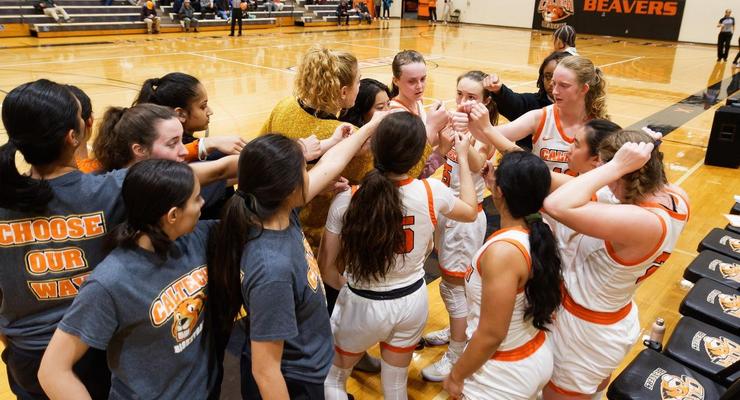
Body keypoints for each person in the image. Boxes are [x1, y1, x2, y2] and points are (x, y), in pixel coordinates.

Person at [0, 79, 233, 400]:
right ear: (76, 134)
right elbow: (214, 173)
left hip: (25, 355)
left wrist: (14, 336)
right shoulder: (106, 190)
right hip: (90, 349)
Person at [207, 114, 383, 399]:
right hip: (292, 381)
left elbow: (330, 164)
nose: (312, 174)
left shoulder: (277, 211)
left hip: (305, 367)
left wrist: (370, 127)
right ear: (289, 189)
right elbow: (265, 371)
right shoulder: (271, 270)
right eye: (305, 169)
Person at [321, 112, 479, 400]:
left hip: (362, 303)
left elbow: (327, 269)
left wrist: (352, 291)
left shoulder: (347, 199)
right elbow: (470, 209)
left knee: (334, 381)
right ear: (419, 152)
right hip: (411, 302)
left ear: (375, 149)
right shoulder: (432, 192)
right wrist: (464, 158)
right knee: (395, 387)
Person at [38, 160, 220, 399]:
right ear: (173, 215)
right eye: (197, 198)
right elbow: (52, 371)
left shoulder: (196, 237)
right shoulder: (110, 282)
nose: (203, 203)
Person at [541, 130, 690, 399]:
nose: (606, 184)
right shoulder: (676, 197)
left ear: (625, 173)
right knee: (592, 390)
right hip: (612, 318)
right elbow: (568, 188)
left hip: (586, 331)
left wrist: (615, 165)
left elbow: (556, 204)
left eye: (611, 176)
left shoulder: (642, 222)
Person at [443, 151, 563, 400]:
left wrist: (456, 375)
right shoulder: (541, 228)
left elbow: (491, 334)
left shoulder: (503, 253)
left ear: (500, 193)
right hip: (532, 352)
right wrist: (497, 185)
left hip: (500, 374)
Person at [421, 71, 496, 382]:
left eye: (472, 98)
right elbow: (438, 159)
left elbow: (479, 164)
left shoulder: (487, 133)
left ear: (486, 102)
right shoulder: (454, 123)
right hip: (447, 213)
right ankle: (458, 332)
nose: (463, 103)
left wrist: (464, 143)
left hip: (466, 218)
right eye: (460, 95)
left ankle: (457, 353)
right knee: (454, 285)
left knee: (453, 286)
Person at [259, 45, 368, 250]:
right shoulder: (349, 136)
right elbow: (397, 176)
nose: (360, 86)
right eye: (358, 80)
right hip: (321, 243)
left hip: (272, 224)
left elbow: (260, 151)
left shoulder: (284, 106)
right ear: (344, 92)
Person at [464, 56, 608, 175]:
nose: (555, 91)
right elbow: (488, 135)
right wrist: (470, 120)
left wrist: (485, 128)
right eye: (553, 83)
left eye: (563, 85)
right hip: (539, 205)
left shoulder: (600, 128)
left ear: (584, 89)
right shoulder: (541, 117)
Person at [485, 51, 570, 150]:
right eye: (548, 76)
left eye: (560, 78)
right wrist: (498, 90)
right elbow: (512, 102)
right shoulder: (531, 104)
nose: (552, 82)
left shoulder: (585, 110)